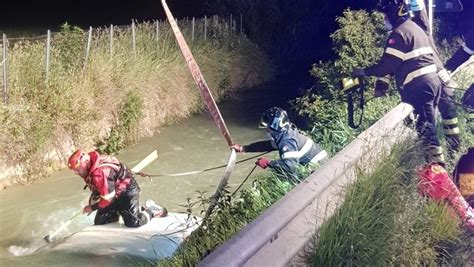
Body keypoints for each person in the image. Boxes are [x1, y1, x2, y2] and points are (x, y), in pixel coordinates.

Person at [352, 0, 444, 163]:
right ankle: (431, 166)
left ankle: (437, 173)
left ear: (394, 14)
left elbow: (386, 66)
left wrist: (363, 72)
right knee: (425, 126)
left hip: (420, 87)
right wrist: (382, 85)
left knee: (427, 132)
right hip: (431, 84)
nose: (384, 19)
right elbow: (397, 64)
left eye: (385, 16)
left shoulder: (399, 34)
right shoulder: (415, 28)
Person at [67, 149, 167, 227]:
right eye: (75, 171)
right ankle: (122, 210)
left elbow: (107, 198)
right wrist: (94, 200)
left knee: (133, 222)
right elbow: (102, 189)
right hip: (113, 193)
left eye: (78, 169)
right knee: (100, 221)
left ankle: (151, 210)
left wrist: (92, 208)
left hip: (127, 190)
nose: (76, 173)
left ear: (86, 163)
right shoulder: (91, 168)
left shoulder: (100, 173)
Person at [231, 107, 327, 180]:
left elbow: (290, 167)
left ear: (275, 126)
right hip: (321, 165)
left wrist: (269, 163)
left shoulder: (287, 141)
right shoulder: (284, 133)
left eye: (268, 128)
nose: (267, 131)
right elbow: (267, 145)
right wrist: (243, 148)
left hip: (319, 170)